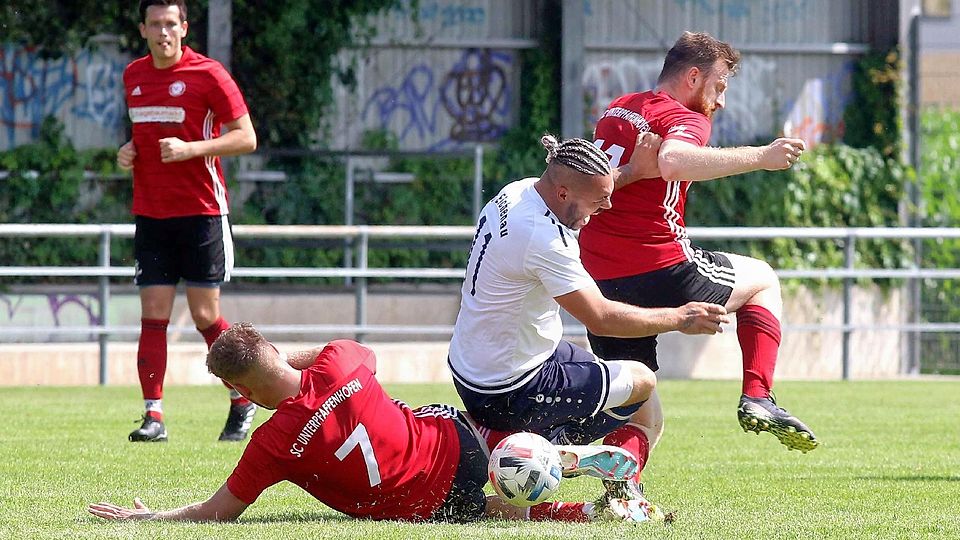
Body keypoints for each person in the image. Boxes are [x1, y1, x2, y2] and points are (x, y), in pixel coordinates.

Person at [89, 323, 668, 524]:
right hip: (454, 445)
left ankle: (583, 511)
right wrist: (284, 359)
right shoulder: (340, 358)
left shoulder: (271, 443)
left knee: (489, 511)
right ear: (275, 351)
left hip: (418, 504)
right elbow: (356, 353)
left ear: (238, 392)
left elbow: (219, 511)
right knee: (458, 426)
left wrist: (153, 515)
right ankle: (560, 455)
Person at [448, 134, 730, 507]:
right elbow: (600, 317)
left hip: (477, 367)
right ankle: (542, 452)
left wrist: (628, 171)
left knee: (649, 409)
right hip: (511, 387)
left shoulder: (518, 193)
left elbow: (586, 183)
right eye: (600, 200)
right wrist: (679, 317)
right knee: (643, 381)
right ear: (564, 194)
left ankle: (619, 486)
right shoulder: (543, 238)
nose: (608, 205)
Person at [580, 31, 818, 453]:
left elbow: (598, 182)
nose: (721, 101)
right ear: (693, 76)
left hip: (599, 279)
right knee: (762, 279)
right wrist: (762, 157)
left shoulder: (619, 107)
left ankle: (617, 488)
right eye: (719, 86)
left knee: (641, 405)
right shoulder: (685, 117)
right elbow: (673, 160)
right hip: (660, 264)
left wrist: (637, 172)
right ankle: (759, 396)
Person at [118, 0, 258, 443]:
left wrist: (193, 148)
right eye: (155, 25)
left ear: (184, 27)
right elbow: (144, 137)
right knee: (152, 315)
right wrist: (129, 152)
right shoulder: (134, 76)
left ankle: (242, 396)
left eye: (171, 24)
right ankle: (153, 415)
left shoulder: (208, 74)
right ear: (143, 29)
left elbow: (246, 137)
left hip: (202, 212)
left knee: (204, 315)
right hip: (152, 213)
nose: (163, 33)